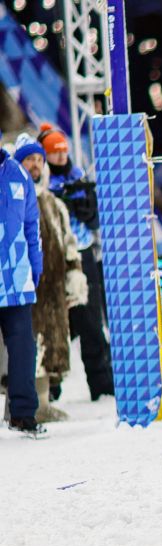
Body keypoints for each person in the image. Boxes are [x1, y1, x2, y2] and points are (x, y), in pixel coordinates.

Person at [14, 134, 88, 422]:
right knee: (22, 350)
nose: (35, 165)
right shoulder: (9, 197)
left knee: (48, 350)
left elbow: (69, 243)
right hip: (20, 288)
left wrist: (75, 277)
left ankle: (42, 404)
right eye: (29, 159)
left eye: (38, 160)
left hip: (52, 290)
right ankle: (24, 407)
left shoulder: (53, 203)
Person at [38, 123, 115, 400]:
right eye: (54, 152)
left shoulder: (77, 176)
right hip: (53, 259)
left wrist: (87, 209)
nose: (60, 157)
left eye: (63, 152)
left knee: (91, 322)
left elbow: (95, 220)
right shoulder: (42, 183)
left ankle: (102, 383)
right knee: (55, 325)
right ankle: (50, 387)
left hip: (81, 253)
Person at [0, 132, 44, 435]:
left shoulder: (19, 174)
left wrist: (36, 265)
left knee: (23, 348)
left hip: (15, 278)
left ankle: (23, 415)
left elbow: (32, 225)